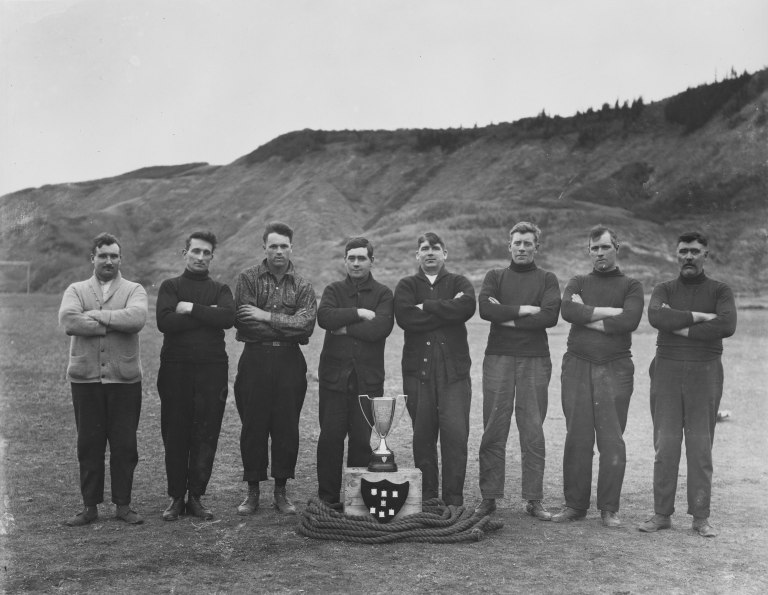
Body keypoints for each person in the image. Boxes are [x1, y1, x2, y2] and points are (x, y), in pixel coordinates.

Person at [638, 231, 736, 537]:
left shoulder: (720, 290)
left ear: (706, 254)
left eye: (695, 251)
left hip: (705, 372)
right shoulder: (663, 289)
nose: (688, 257)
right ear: (676, 255)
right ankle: (661, 514)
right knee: (665, 446)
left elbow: (727, 325)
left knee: (700, 447)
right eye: (683, 251)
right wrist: (700, 319)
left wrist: (679, 326)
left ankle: (700, 517)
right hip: (666, 370)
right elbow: (657, 318)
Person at [553, 225, 644, 527]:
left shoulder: (632, 286)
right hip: (577, 364)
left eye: (605, 247)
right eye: (594, 248)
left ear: (617, 247)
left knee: (611, 439)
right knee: (577, 437)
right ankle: (575, 506)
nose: (600, 253)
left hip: (615, 366)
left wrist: (588, 314)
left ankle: (609, 508)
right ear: (589, 251)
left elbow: (628, 320)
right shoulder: (578, 281)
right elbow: (567, 310)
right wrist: (610, 313)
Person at [58, 232, 148, 526]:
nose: (108, 260)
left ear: (120, 259)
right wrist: (113, 320)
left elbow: (136, 319)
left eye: (113, 256)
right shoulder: (76, 289)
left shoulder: (135, 289)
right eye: (103, 255)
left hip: (125, 381)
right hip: (86, 381)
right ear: (92, 258)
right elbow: (69, 321)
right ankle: (89, 507)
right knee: (89, 445)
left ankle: (123, 505)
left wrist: (95, 316)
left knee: (124, 445)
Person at [475, 222, 561, 519]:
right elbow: (486, 310)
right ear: (508, 246)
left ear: (537, 247)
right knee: (493, 428)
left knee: (533, 429)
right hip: (498, 357)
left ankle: (533, 499)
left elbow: (549, 316)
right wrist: (527, 309)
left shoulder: (547, 278)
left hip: (535, 359)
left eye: (528, 243)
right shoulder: (495, 276)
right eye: (517, 243)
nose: (522, 248)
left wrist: (507, 314)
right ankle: (489, 496)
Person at [233, 221, 317, 515]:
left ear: (291, 247)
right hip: (254, 359)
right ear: (264, 247)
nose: (278, 251)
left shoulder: (303, 285)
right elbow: (244, 322)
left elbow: (306, 327)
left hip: (289, 362)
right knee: (253, 426)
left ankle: (281, 491)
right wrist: (284, 323)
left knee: (286, 428)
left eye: (284, 246)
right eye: (273, 246)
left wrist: (266, 317)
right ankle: (252, 491)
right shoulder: (248, 278)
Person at [156, 231, 235, 521]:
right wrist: (207, 315)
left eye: (206, 253)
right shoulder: (170, 286)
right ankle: (176, 498)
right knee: (175, 432)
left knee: (206, 432)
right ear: (185, 253)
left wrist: (189, 309)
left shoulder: (221, 287)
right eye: (196, 251)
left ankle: (197, 497)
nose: (201, 257)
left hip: (212, 370)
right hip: (175, 368)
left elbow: (228, 318)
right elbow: (165, 322)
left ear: (212, 256)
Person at [394, 232, 476, 506]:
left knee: (455, 437)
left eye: (435, 248)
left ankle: (454, 501)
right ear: (417, 255)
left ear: (445, 254)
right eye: (424, 249)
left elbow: (465, 308)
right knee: (423, 437)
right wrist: (446, 313)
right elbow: (407, 318)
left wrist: (426, 306)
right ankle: (428, 499)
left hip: (455, 375)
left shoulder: (459, 282)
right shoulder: (406, 285)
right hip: (419, 375)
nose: (430, 253)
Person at [316, 237, 394, 505]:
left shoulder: (384, 294)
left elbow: (380, 328)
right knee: (330, 440)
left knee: (361, 441)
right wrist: (359, 311)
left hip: (367, 382)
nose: (357, 262)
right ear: (345, 261)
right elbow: (325, 317)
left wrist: (346, 327)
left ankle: (355, 501)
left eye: (362, 258)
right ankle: (327, 499)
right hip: (333, 380)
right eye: (352, 258)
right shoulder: (333, 289)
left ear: (372, 261)